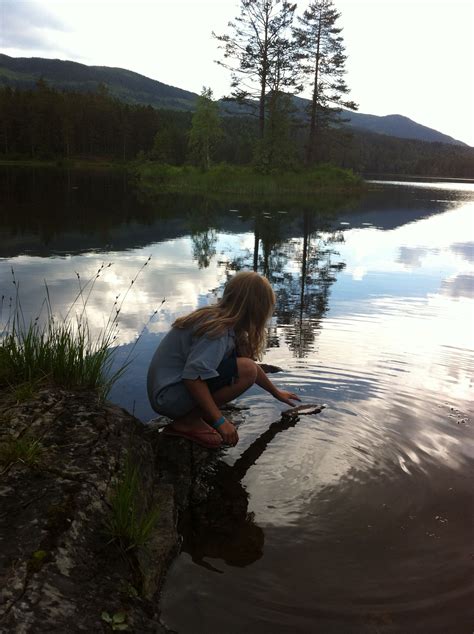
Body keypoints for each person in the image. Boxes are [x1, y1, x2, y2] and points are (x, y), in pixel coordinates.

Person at [147, 271, 300, 448]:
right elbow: (193, 377)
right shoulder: (218, 332)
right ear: (256, 309)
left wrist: (276, 393)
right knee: (246, 369)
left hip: (169, 390)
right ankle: (188, 421)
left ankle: (195, 416)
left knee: (245, 366)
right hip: (169, 396)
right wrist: (220, 422)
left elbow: (247, 367)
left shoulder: (221, 322)